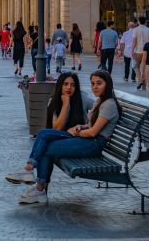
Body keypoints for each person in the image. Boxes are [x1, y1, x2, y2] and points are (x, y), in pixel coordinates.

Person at [14, 70, 122, 205]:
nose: (95, 87)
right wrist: (81, 127)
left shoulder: (109, 104)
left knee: (46, 146)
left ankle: (35, 181)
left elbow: (93, 132)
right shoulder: (101, 102)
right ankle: (36, 184)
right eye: (93, 83)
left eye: (99, 83)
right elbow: (90, 125)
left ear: (108, 84)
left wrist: (76, 132)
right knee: (43, 136)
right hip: (88, 141)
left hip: (93, 144)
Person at [5, 72, 93, 185]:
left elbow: (99, 109)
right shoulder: (54, 101)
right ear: (60, 85)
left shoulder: (82, 98)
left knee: (44, 140)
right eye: (65, 84)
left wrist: (86, 125)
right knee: (45, 144)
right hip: (64, 139)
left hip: (79, 140)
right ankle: (36, 183)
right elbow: (57, 128)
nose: (69, 88)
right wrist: (65, 105)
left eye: (73, 85)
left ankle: (32, 176)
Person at [131, 16, 149, 87]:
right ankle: (144, 83)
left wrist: (132, 50)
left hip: (138, 51)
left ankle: (140, 80)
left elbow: (134, 41)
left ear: (138, 21)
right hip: (147, 51)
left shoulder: (136, 29)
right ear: (145, 21)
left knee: (136, 66)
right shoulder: (148, 30)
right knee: (144, 67)